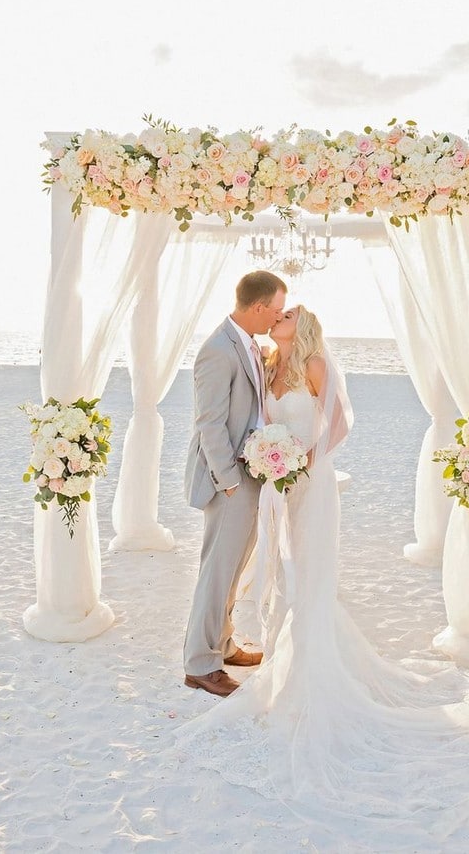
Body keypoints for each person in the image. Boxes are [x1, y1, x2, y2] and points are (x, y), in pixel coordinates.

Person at [175, 304, 469, 846]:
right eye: (277, 311)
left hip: (310, 484)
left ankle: (310, 675)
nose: (279, 315)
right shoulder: (270, 359)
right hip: (278, 485)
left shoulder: (316, 364)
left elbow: (341, 423)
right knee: (280, 573)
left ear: (300, 327)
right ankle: (282, 660)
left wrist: (305, 459)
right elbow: (255, 420)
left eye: (288, 314)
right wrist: (269, 457)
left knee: (307, 579)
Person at [183, 270, 287, 697]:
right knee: (217, 572)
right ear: (258, 307)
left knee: (233, 570)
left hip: (249, 475)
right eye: (276, 311)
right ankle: (200, 665)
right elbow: (209, 423)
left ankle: (222, 644)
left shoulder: (248, 345)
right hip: (228, 479)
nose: (277, 319)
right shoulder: (217, 351)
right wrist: (228, 482)